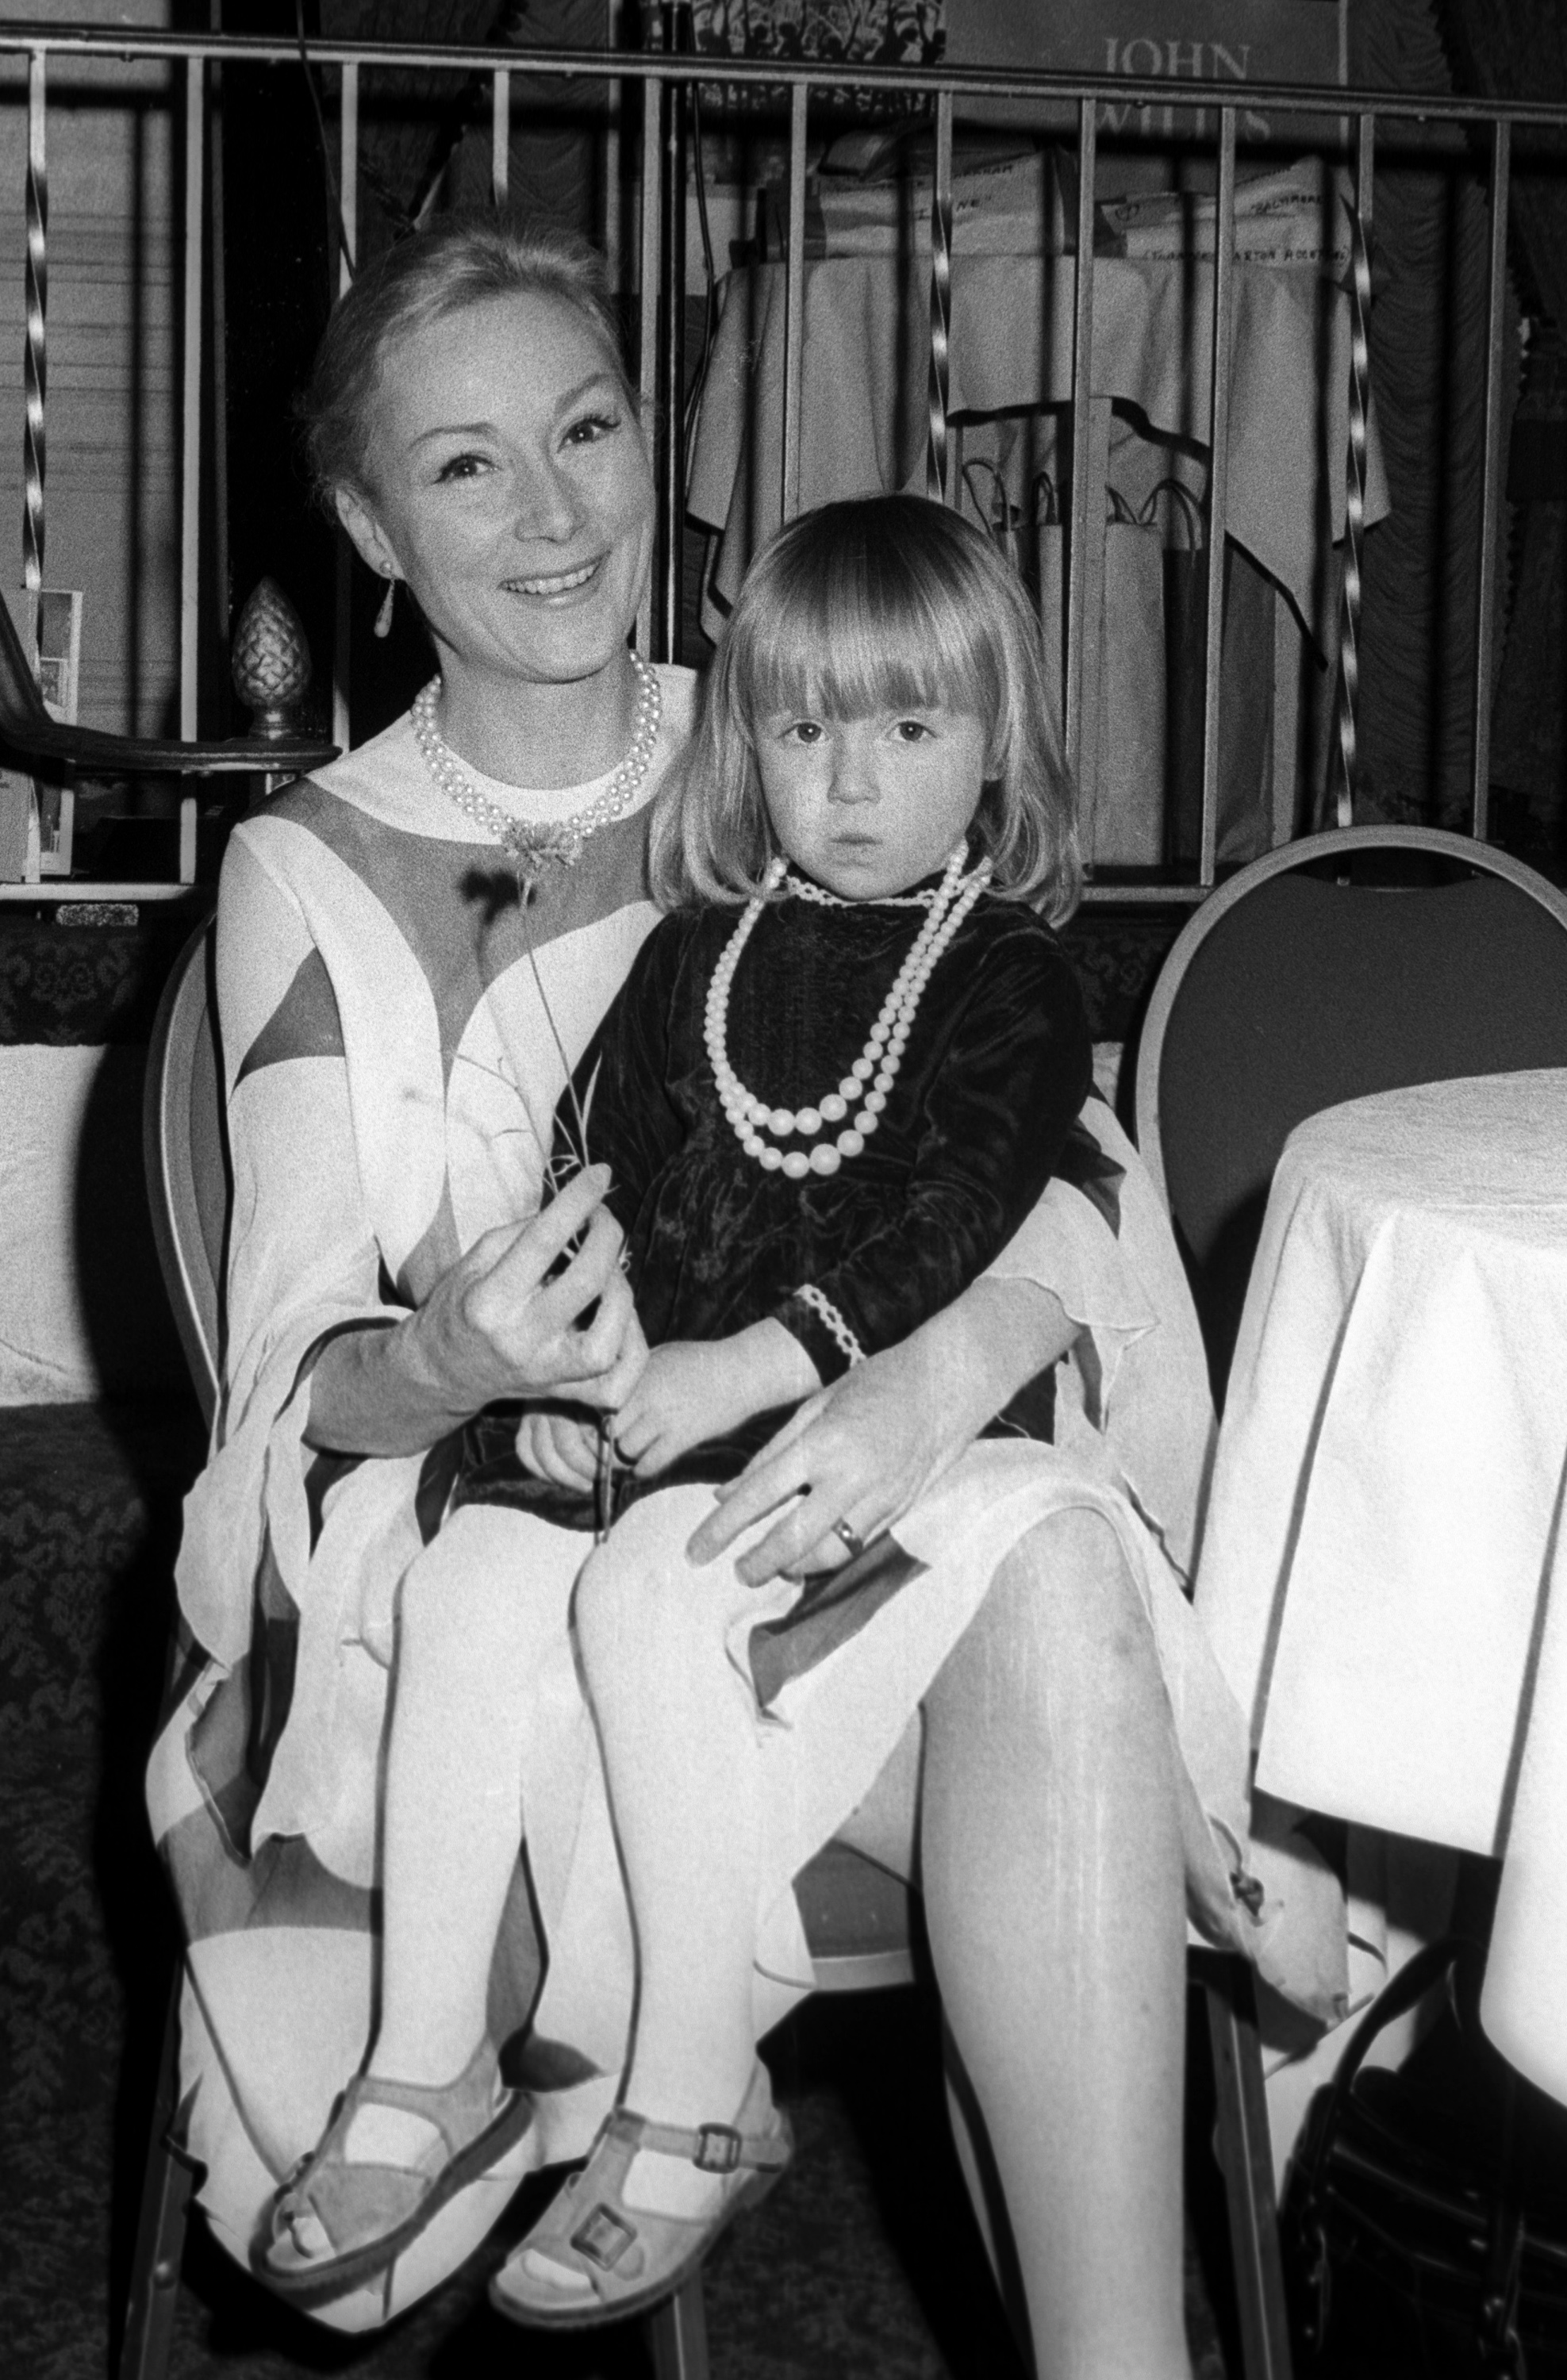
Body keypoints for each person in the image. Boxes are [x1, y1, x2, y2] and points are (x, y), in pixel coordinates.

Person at [146, 209, 1285, 2378]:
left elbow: (1062, 1182)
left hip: (850, 1468)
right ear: (374, 526)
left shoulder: (810, 723)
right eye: (468, 466)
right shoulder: (312, 864)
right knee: (1018, 1647)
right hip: (523, 1534)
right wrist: (462, 1355)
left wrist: (904, 1388)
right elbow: (307, 1384)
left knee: (1032, 1582)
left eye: (585, 428)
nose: (560, 508)